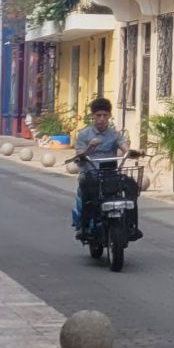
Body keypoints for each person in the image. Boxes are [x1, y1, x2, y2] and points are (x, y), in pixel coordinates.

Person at [72, 97, 141, 241]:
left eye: (105, 115)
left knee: (132, 186)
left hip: (110, 173)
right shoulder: (84, 134)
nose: (102, 119)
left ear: (109, 116)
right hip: (91, 172)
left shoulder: (114, 134)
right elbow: (79, 156)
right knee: (87, 189)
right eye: (98, 115)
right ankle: (84, 228)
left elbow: (125, 148)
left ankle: (131, 226)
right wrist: (91, 147)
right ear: (93, 116)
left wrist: (133, 153)